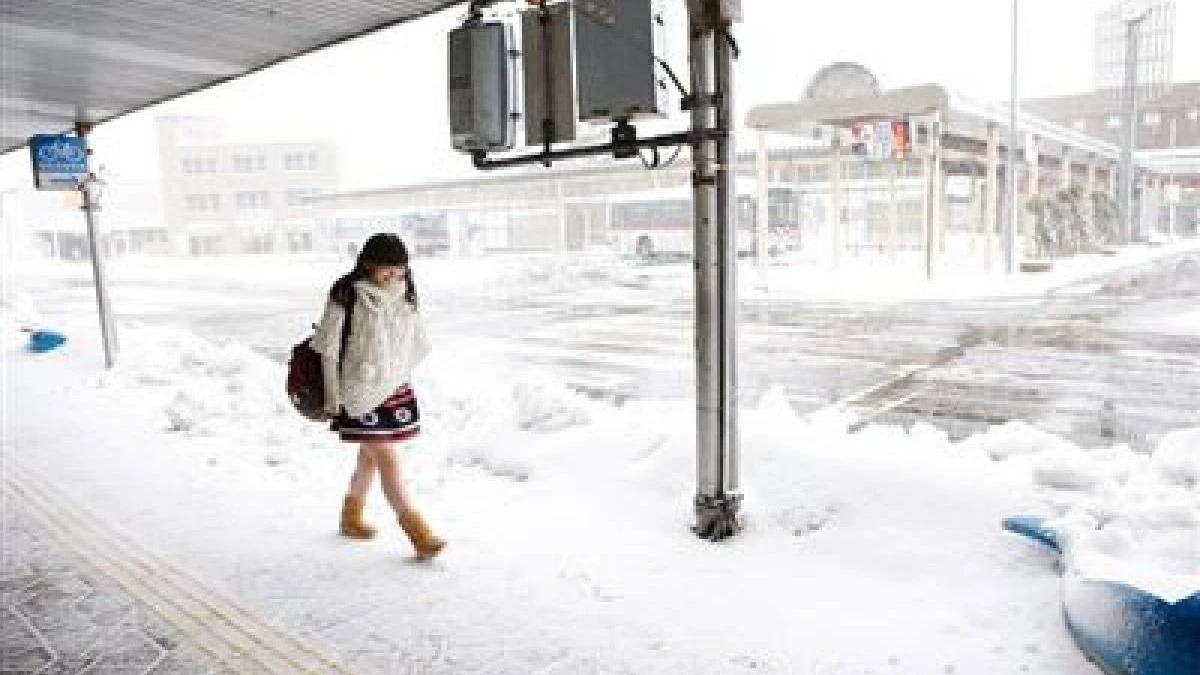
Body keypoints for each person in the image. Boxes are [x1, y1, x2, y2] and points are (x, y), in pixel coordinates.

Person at [311, 233, 444, 558]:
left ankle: (351, 517)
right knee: (387, 457)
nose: (394, 274)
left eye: (400, 268)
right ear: (369, 264)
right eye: (387, 268)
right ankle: (419, 533)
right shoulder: (347, 294)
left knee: (369, 458)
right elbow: (328, 348)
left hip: (394, 388)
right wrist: (332, 395)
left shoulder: (404, 293)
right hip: (357, 389)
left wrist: (399, 371)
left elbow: (415, 341)